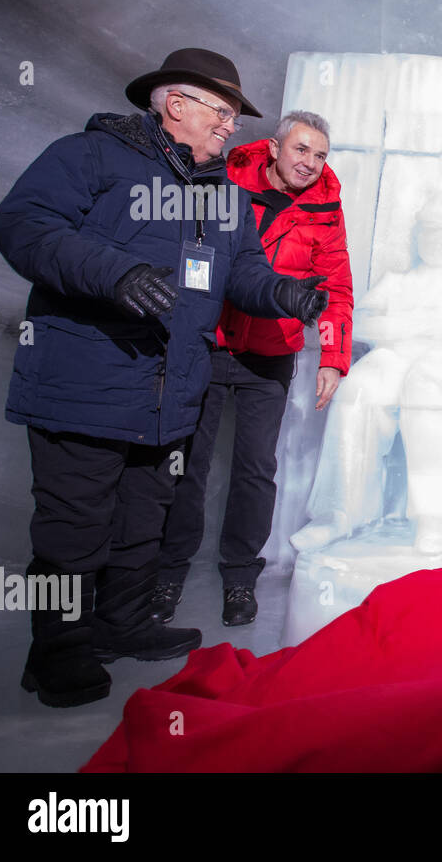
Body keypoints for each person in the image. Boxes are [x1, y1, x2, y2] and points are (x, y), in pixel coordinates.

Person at [0, 48, 330, 707]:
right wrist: (113, 273)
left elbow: (245, 276)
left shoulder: (223, 197)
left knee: (144, 518)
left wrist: (291, 297)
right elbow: (22, 226)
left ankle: (123, 626)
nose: (232, 127)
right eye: (224, 113)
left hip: (168, 395)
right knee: (72, 526)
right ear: (177, 105)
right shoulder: (89, 158)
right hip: (83, 387)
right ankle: (56, 653)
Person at [153, 112, 353, 627]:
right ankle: (168, 572)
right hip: (210, 342)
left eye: (320, 155)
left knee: (255, 468)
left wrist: (332, 356)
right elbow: (188, 248)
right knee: (187, 464)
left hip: (270, 352)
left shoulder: (327, 209)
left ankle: (241, 576)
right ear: (274, 148)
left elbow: (336, 289)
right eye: (301, 149)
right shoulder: (224, 179)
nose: (310, 163)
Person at [290, 193, 442, 555]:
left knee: (425, 392)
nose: (437, 241)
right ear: (418, 236)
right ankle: (338, 512)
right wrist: (427, 324)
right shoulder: (397, 281)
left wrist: (405, 326)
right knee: (355, 392)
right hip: (393, 359)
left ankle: (436, 513)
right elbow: (363, 322)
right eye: (430, 232)